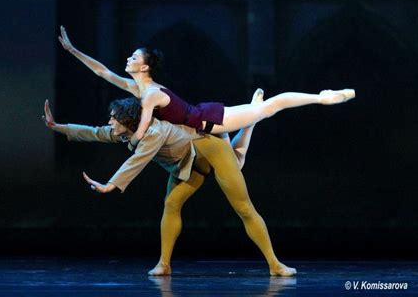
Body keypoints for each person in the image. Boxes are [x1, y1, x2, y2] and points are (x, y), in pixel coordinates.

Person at [42, 97, 297, 277]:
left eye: (113, 117)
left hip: (209, 149)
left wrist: (111, 185)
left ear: (127, 120)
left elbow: (137, 161)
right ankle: (164, 264)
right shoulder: (126, 132)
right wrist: (57, 127)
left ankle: (275, 264)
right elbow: (96, 132)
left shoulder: (152, 132)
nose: (109, 121)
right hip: (187, 163)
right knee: (172, 203)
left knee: (243, 205)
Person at [58, 26, 355, 152]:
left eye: (134, 57)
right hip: (203, 123)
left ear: (145, 67)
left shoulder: (148, 95)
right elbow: (102, 71)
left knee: (270, 107)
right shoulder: (138, 88)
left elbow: (144, 123)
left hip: (208, 119)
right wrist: (72, 51)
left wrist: (134, 142)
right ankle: (251, 122)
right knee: (236, 166)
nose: (128, 59)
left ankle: (322, 97)